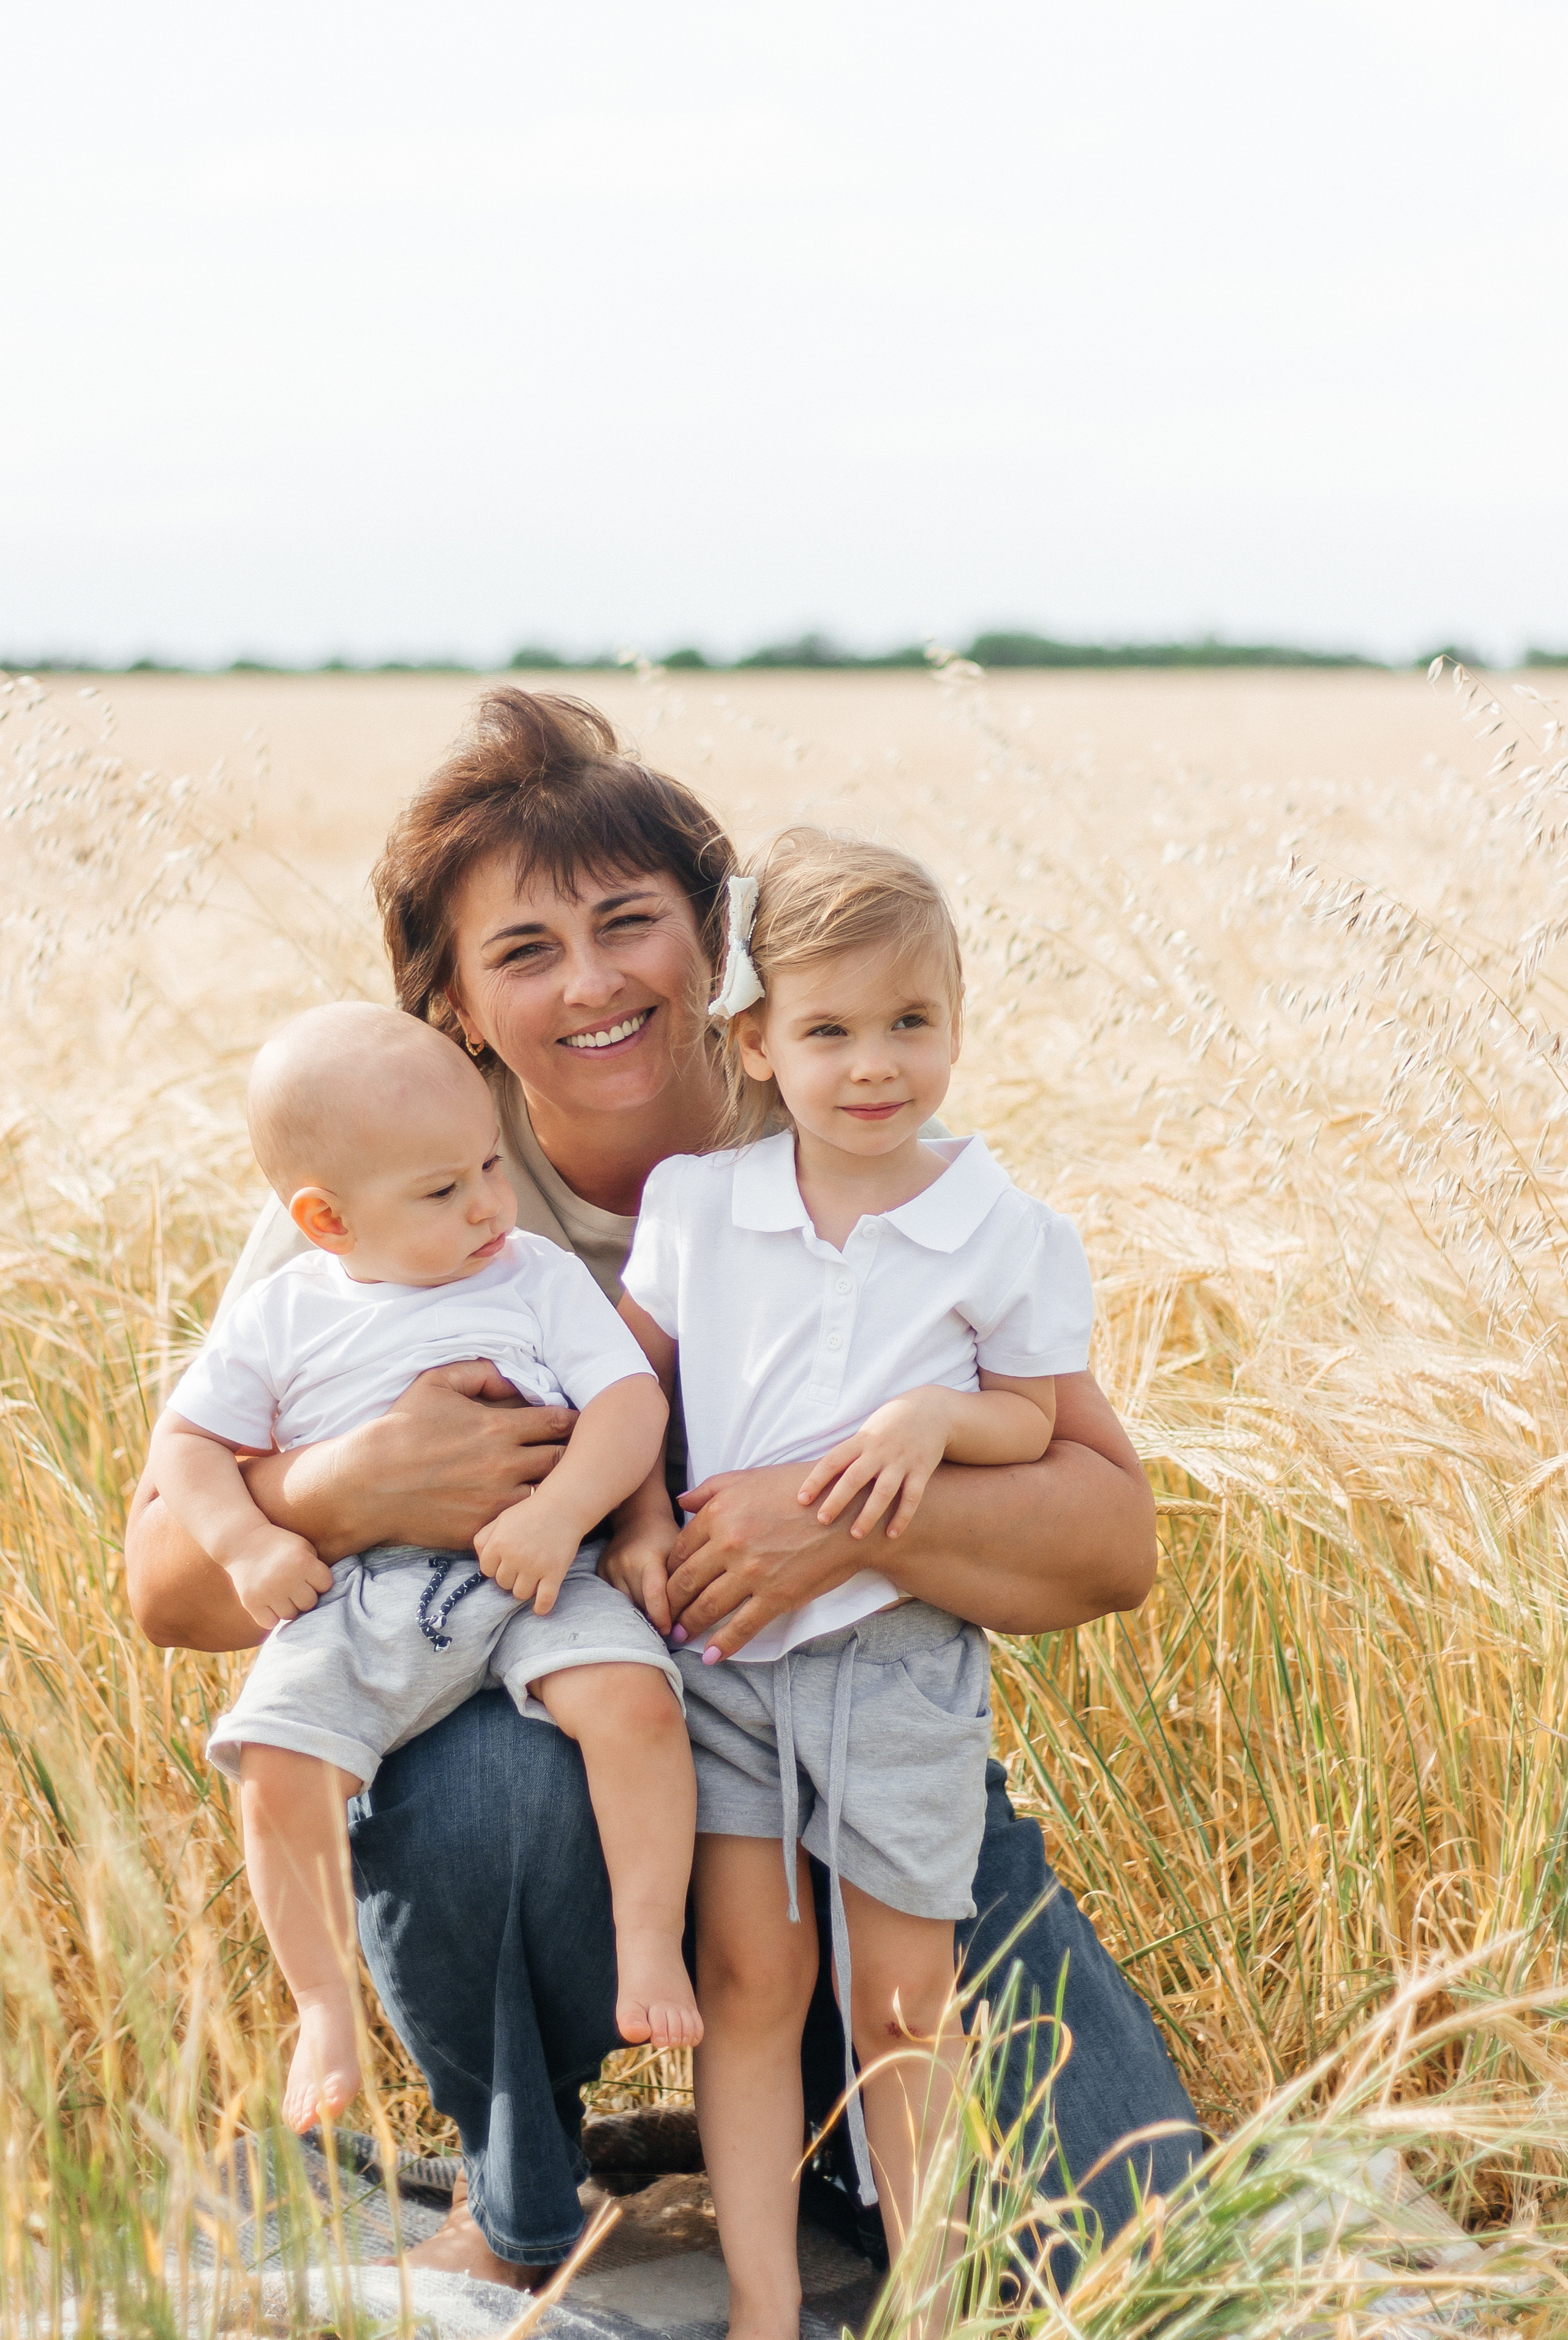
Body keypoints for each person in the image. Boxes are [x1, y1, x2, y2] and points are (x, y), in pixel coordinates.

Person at [124, 689, 1201, 2289]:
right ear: (456, 1012)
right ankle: (525, 2185)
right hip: (575, 1748)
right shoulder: (391, 1188)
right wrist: (343, 1490)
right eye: (523, 954)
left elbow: (1111, 1541)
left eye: (631, 924)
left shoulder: (843, 1131)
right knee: (487, 1778)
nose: (593, 983)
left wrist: (829, 1515)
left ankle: (827, 2147)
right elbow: (165, 1586)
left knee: (1122, 2242)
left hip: (857, 1758)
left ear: (718, 950)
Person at [613, 832, 1093, 2337]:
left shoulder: (1001, 1227)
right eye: (826, 1030)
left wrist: (931, 1420)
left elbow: (1031, 1417)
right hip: (727, 1656)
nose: (873, 1066)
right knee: (751, 1975)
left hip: (895, 1661)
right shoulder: (700, 1205)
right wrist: (633, 1520)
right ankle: (764, 2300)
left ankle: (928, 2304)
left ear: (954, 1025)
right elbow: (633, 1392)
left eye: (910, 1024)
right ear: (754, 1041)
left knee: (899, 2000)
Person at [150, 1001, 698, 2135]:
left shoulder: (534, 1276)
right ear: (327, 1219)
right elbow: (186, 1450)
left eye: (491, 1165)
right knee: (280, 1768)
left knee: (636, 1706)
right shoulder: (284, 1315)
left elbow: (628, 1404)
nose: (490, 1204)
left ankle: (650, 1942)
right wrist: (256, 1540)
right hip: (359, 1599)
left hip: (539, 1570)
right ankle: (323, 2003)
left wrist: (561, 1515)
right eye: (444, 1192)